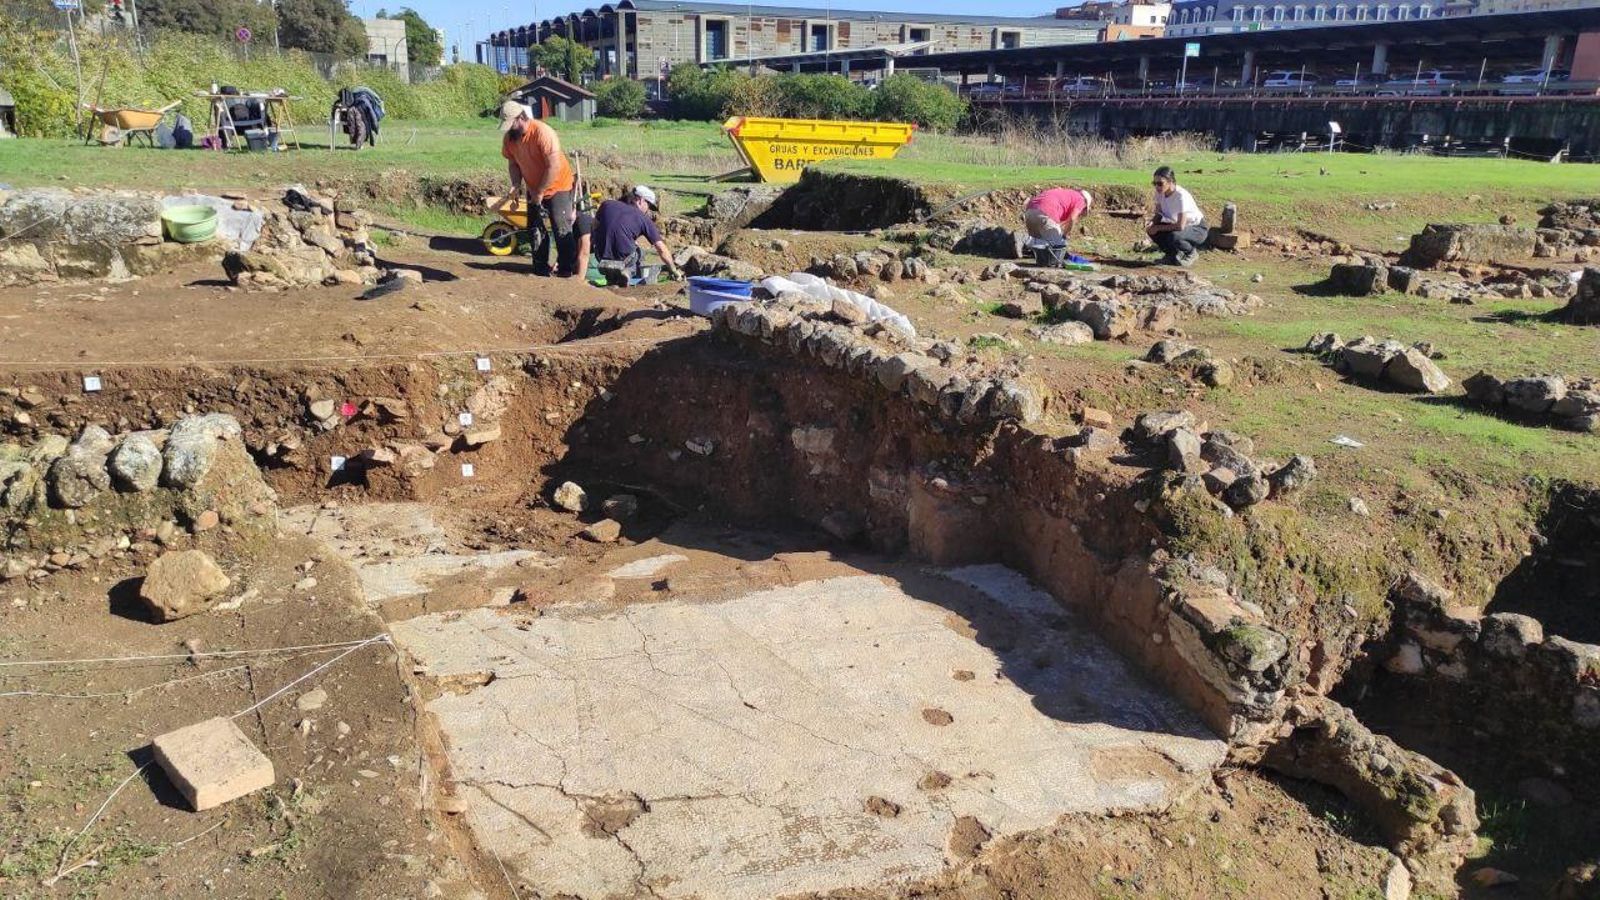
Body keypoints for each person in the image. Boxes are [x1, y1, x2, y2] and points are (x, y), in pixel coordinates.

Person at [496, 100, 577, 277]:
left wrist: (540, 192)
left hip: (558, 187)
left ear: (521, 117)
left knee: (561, 227)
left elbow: (553, 167)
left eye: (511, 124)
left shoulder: (543, 133)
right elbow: (513, 163)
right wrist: (516, 184)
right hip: (533, 189)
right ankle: (540, 267)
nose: (509, 129)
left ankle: (566, 270)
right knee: (535, 228)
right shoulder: (510, 138)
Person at [591, 185, 683, 285]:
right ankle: (628, 272)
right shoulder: (643, 219)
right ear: (640, 200)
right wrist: (674, 270)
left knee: (619, 249)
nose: (648, 210)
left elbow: (594, 226)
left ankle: (611, 279)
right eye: (648, 205)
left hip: (600, 255)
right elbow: (661, 249)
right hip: (624, 259)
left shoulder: (607, 204)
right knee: (639, 252)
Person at [1146, 166, 1208, 267]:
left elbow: (1180, 226)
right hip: (1178, 226)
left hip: (1197, 229)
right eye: (1154, 183)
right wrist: (1152, 223)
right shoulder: (1159, 193)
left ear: (1170, 181)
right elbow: (1159, 214)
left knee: (1174, 236)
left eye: (1160, 183)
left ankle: (1191, 253)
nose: (1157, 187)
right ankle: (1171, 255)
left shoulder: (1181, 196)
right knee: (1152, 230)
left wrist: (1158, 227)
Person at [1022, 186, 1093, 246]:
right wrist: (1064, 236)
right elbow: (1072, 219)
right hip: (1045, 212)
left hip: (1030, 212)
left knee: (1038, 246)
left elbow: (1061, 222)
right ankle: (1024, 240)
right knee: (1057, 246)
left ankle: (1022, 242)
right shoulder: (1081, 200)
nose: (1081, 212)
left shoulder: (1066, 194)